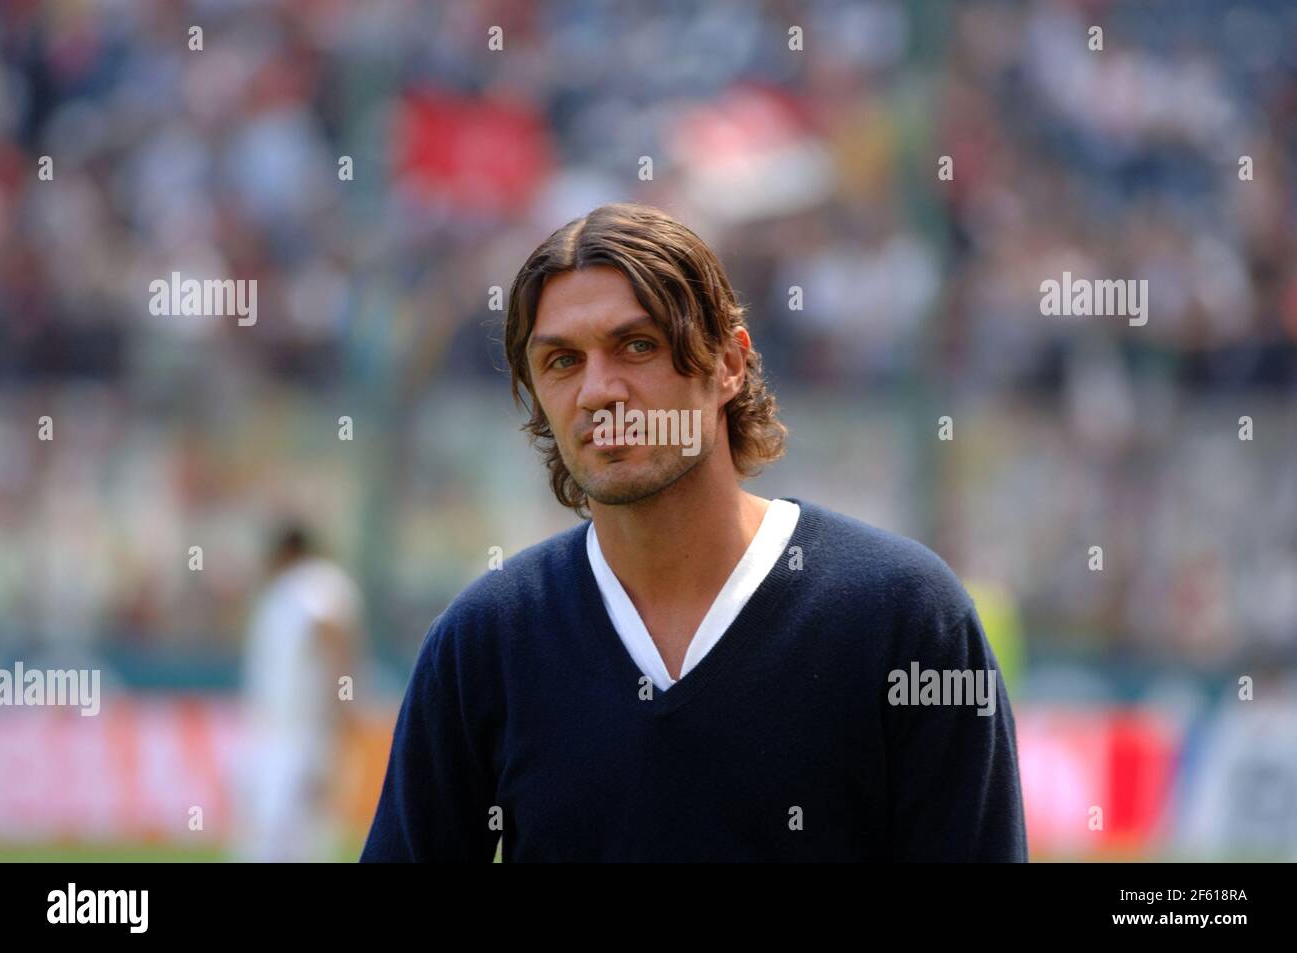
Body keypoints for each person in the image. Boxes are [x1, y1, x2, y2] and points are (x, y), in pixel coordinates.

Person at [361, 203, 1028, 861]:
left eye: (637, 345)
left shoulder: (903, 617)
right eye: (562, 360)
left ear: (729, 364)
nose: (598, 390)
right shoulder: (484, 641)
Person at [237, 522, 364, 862]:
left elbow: (333, 633)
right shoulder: (285, 591)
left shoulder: (316, 581)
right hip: (278, 730)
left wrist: (342, 709)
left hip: (305, 732)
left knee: (292, 842)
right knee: (276, 841)